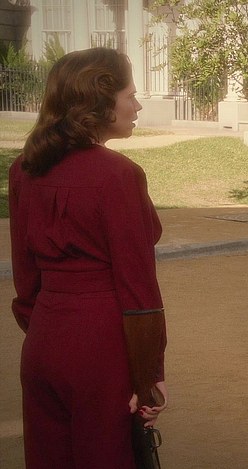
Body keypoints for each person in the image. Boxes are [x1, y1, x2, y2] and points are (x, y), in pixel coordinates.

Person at [8, 47, 168, 468]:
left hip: (43, 339)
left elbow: (25, 279)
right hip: (102, 344)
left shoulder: (24, 168)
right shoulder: (119, 175)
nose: (137, 106)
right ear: (100, 103)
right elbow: (139, 293)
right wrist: (149, 377)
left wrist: (45, 329)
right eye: (130, 95)